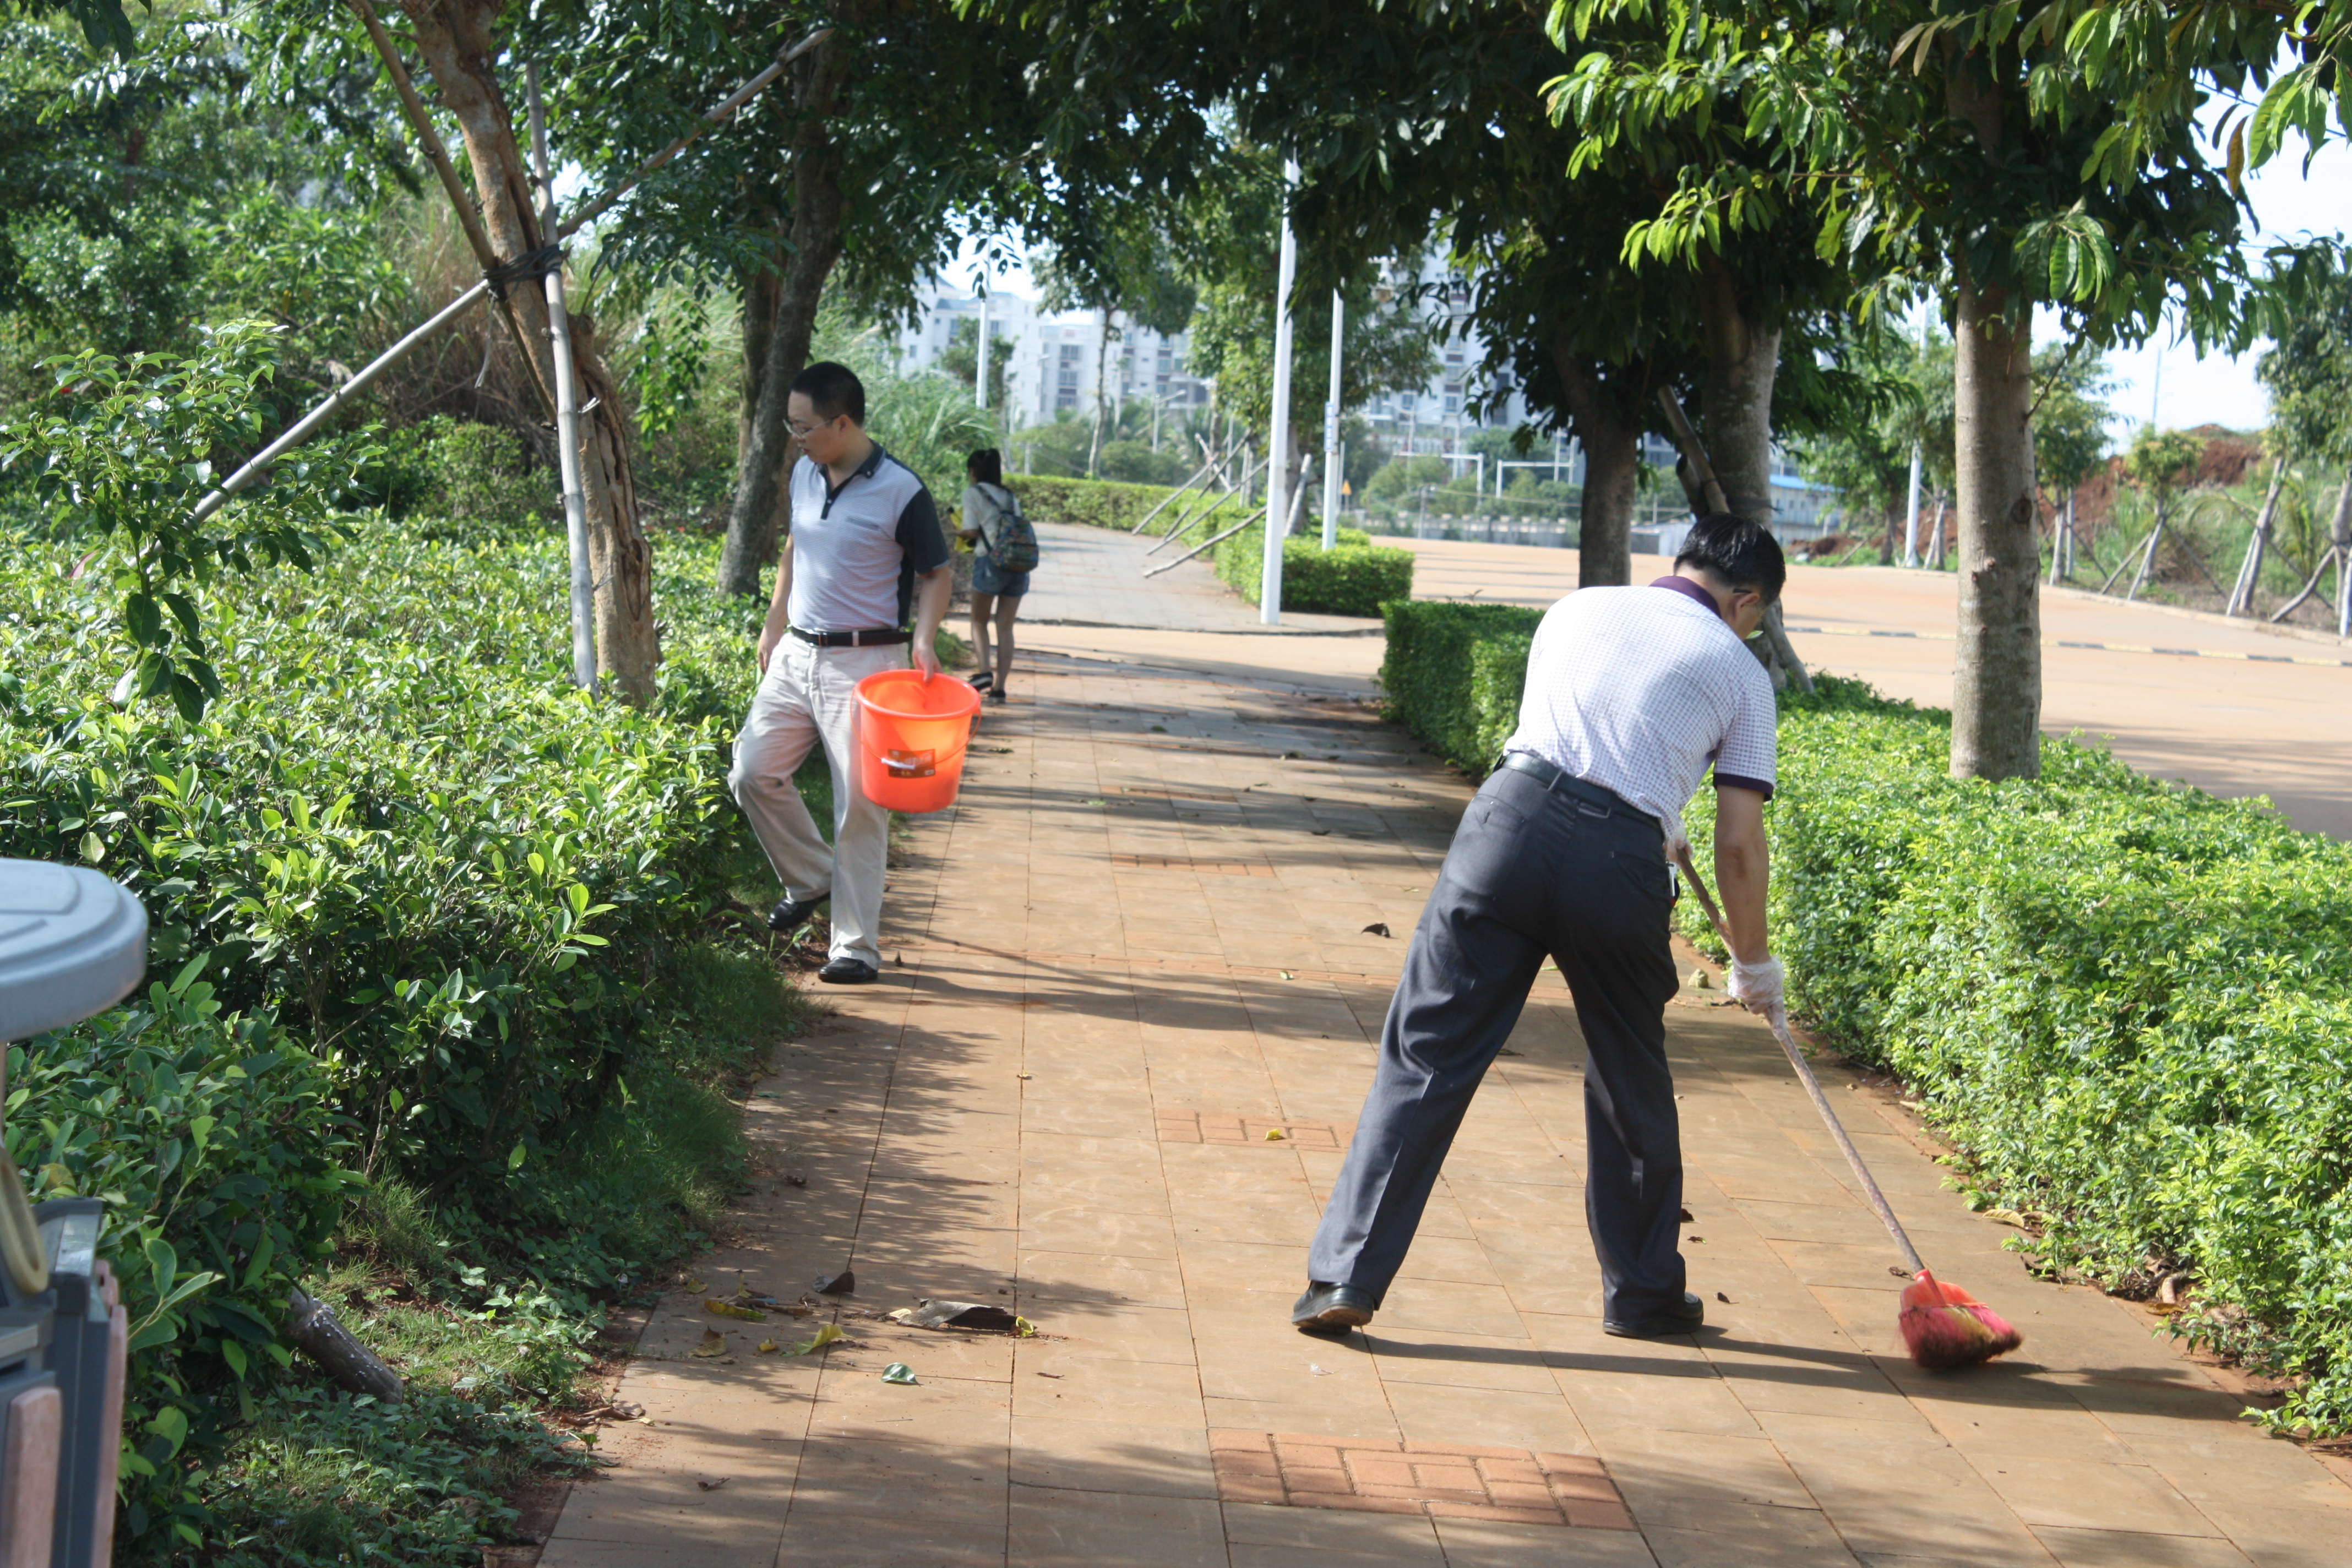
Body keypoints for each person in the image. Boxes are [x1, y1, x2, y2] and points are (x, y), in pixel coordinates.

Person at [1294, 514, 1789, 1340]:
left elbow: (1581, 736)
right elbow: (1738, 843)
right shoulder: (1741, 674)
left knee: (1427, 1055)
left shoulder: (1577, 608)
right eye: (1758, 613)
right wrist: (1753, 961)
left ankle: (1343, 1277)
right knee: (1631, 1075)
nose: (1753, 627)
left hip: (1506, 826)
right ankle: (1641, 1294)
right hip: (1623, 866)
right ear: (1744, 599)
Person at [727, 361, 952, 986]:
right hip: (797, 652)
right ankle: (811, 876)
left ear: (843, 422)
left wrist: (925, 641)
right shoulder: (804, 471)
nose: (794, 437)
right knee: (753, 771)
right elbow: (796, 547)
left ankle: (854, 948)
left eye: (804, 426)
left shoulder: (902, 491)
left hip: (867, 664)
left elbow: (937, 573)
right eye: (790, 424)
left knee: (861, 805)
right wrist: (775, 621)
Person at [956, 448, 1023, 704]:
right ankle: (1000, 688)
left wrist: (955, 532)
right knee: (1005, 627)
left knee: (978, 621)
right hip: (1018, 565)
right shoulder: (1010, 495)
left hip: (990, 563)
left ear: (973, 472)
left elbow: (972, 531)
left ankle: (984, 673)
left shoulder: (974, 494)